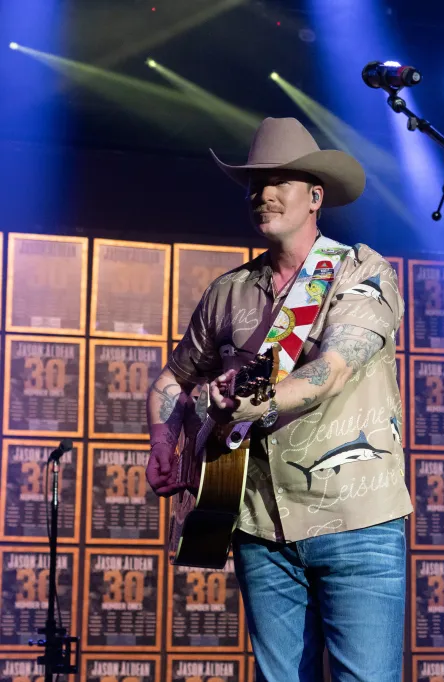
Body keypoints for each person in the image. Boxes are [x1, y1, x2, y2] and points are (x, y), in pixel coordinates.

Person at [145, 117, 411, 682]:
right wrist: (164, 442)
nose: (261, 194)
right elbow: (171, 382)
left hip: (354, 521)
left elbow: (334, 369)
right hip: (259, 526)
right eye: (254, 184)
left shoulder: (361, 271)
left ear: (315, 196)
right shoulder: (228, 291)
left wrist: (248, 405)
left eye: (278, 181)